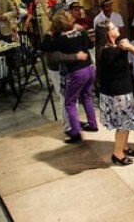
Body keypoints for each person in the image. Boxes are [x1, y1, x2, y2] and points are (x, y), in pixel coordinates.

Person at [41, 11, 97, 144]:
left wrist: (49, 33)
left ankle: (75, 133)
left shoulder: (60, 39)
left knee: (69, 102)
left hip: (77, 73)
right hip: (90, 68)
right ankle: (93, 124)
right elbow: (90, 45)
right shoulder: (81, 31)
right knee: (87, 97)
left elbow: (45, 47)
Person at [95, 21, 134, 166]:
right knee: (123, 125)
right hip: (118, 94)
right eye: (113, 27)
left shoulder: (110, 49)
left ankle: (124, 146)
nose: (117, 28)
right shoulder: (110, 51)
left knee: (127, 122)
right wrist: (127, 48)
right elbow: (119, 71)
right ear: (108, 33)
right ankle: (118, 154)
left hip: (121, 92)